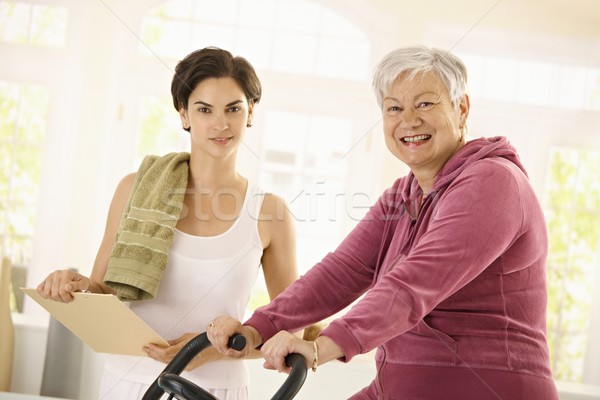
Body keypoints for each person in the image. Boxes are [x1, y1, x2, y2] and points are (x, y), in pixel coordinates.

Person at [207, 45, 560, 399]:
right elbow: (341, 272)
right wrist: (258, 328)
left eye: (425, 103)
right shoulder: (404, 194)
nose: (409, 120)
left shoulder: (493, 181)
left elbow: (414, 283)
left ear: (461, 108)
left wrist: (323, 347)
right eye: (394, 108)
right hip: (399, 386)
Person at [36, 47, 299, 400]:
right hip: (127, 383)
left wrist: (211, 349)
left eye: (233, 109)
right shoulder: (135, 189)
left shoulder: (271, 213)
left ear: (250, 111)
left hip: (219, 389)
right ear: (184, 115)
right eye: (204, 109)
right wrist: (69, 286)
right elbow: (101, 292)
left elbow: (289, 330)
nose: (220, 124)